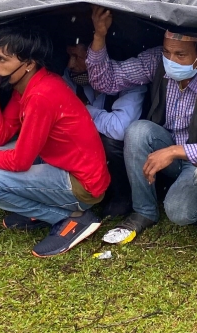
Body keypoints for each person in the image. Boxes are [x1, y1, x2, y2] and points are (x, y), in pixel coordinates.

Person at [86, 6, 197, 246]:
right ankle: (143, 210)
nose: (171, 60)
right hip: (165, 148)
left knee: (179, 212)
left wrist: (174, 152)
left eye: (180, 55)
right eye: (167, 52)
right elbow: (107, 81)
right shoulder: (155, 60)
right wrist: (99, 37)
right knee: (138, 130)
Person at [0, 27, 110, 257]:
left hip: (82, 185)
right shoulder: (26, 86)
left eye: (2, 59)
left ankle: (70, 219)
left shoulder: (41, 95)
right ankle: (41, 212)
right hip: (57, 166)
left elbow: (20, 161)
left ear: (29, 64)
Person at [62, 41, 146, 218]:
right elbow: (62, 110)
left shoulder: (131, 81)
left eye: (77, 57)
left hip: (124, 154)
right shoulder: (73, 76)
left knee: (111, 142)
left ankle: (122, 195)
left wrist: (83, 109)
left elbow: (119, 129)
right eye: (70, 56)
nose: (71, 64)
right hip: (86, 156)